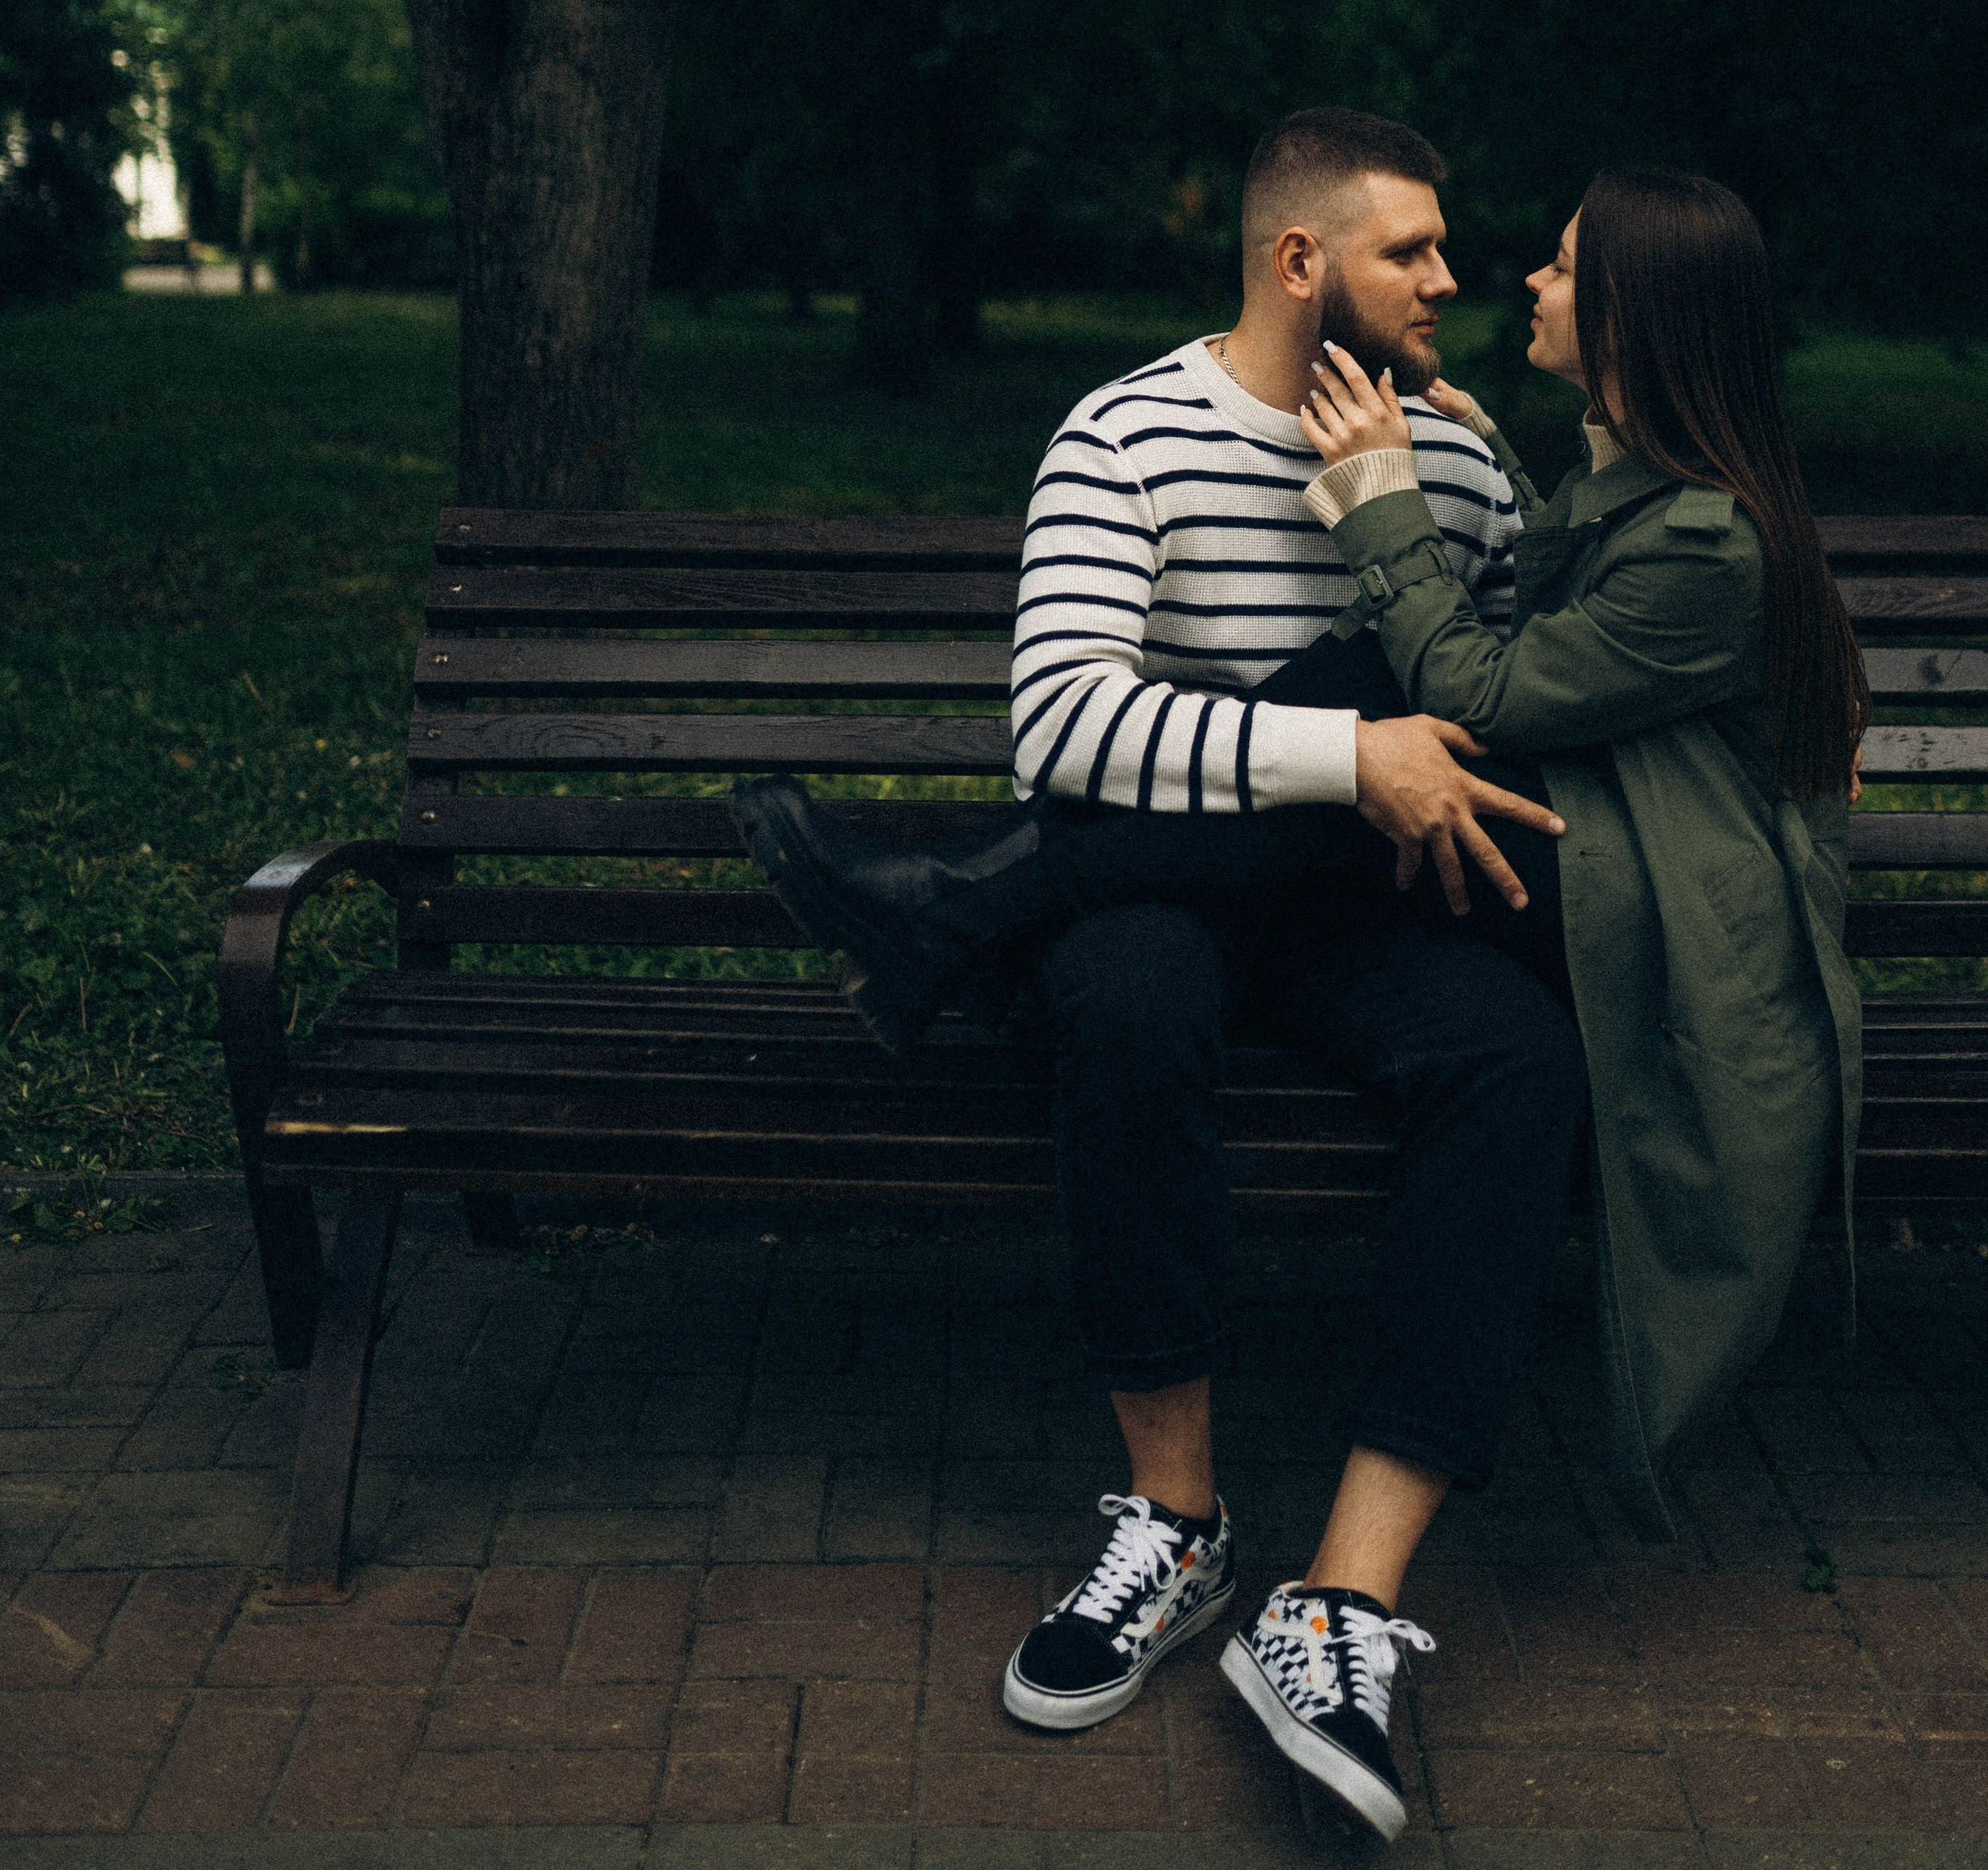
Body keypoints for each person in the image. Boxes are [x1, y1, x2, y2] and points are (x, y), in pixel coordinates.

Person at [739, 137, 1867, 1841]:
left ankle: (1341, 1601)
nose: (1455, 285)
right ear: (1295, 265)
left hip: (1366, 900)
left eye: (1475, 257)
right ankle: (1174, 1527)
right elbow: (1064, 731)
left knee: (1514, 1063)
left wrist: (1391, 719)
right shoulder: (1128, 434)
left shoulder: (1474, 465)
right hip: (1171, 900)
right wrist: (1345, 761)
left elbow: (1490, 706)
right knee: (1125, 995)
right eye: (1410, 252)